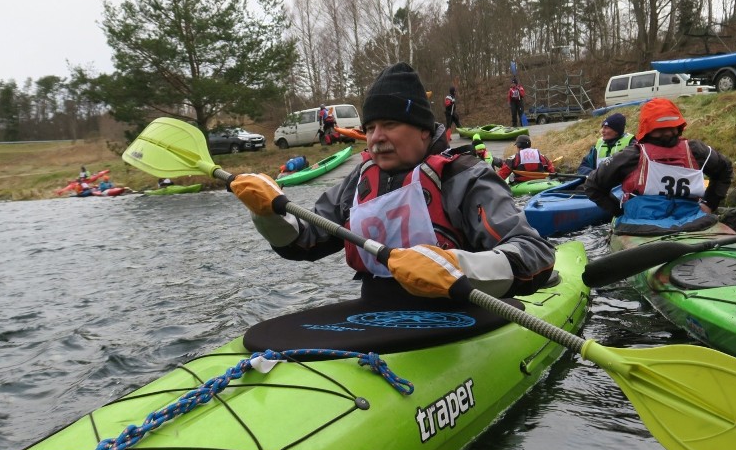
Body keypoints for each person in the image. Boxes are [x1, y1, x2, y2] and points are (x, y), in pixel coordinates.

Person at [231, 62, 555, 308]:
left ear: (424, 131)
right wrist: (267, 215)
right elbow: (303, 241)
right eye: (370, 127)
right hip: (380, 317)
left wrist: (457, 267)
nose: (376, 138)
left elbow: (535, 253)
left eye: (389, 124)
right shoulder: (359, 181)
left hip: (461, 316)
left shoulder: (466, 177)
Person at [584, 98, 733, 235]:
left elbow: (724, 170)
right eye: (659, 129)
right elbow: (593, 184)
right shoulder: (632, 156)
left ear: (678, 127)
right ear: (648, 130)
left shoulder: (695, 150)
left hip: (692, 220)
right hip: (641, 224)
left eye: (670, 127)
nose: (667, 133)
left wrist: (709, 204)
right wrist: (619, 211)